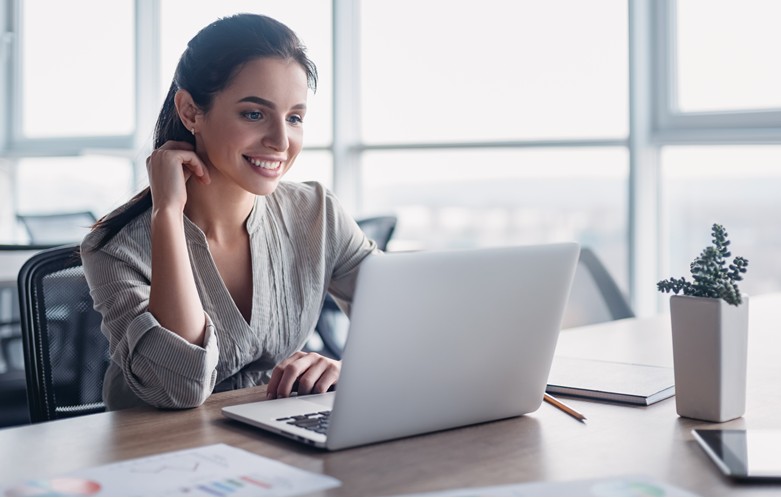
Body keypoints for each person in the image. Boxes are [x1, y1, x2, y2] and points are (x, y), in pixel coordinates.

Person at [81, 13, 377, 411]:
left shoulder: (316, 213)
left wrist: (345, 369)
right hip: (155, 453)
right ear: (189, 112)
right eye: (254, 114)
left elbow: (407, 331)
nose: (280, 140)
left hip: (272, 439)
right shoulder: (115, 248)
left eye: (294, 118)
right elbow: (177, 388)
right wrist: (167, 213)